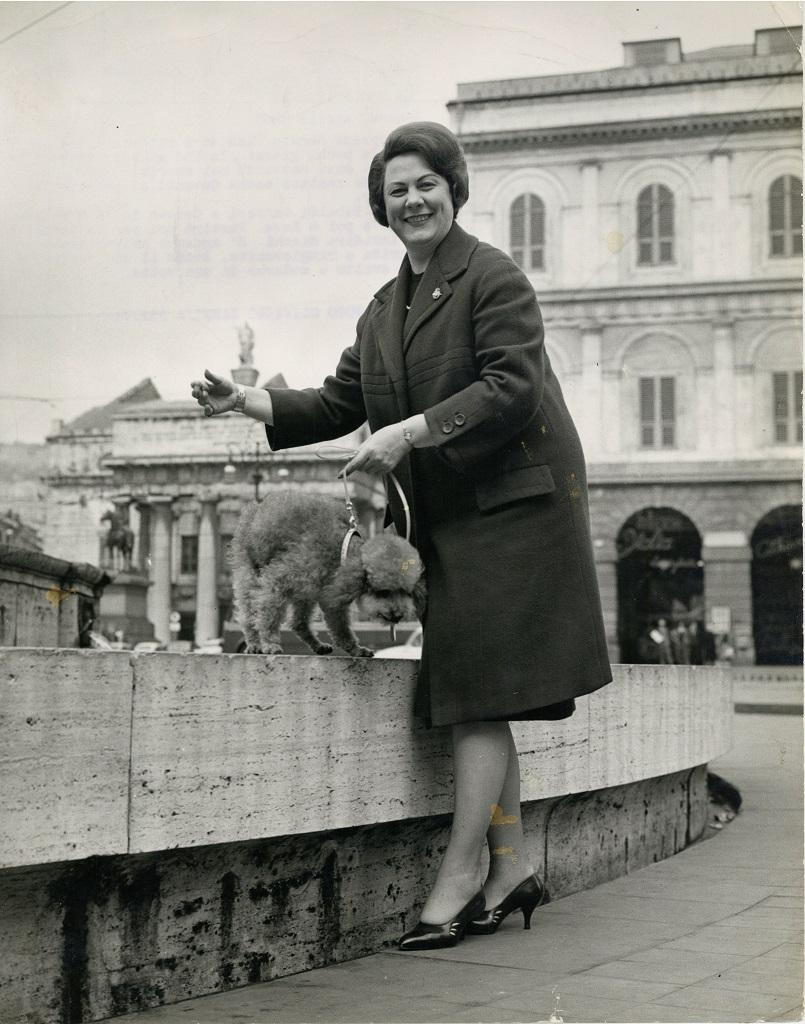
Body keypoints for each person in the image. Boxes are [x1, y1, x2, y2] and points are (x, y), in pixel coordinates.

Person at [191, 122, 612, 950]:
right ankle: (510, 863)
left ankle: (459, 877)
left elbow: (510, 387)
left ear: (453, 188)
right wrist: (249, 404)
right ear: (380, 209)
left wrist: (407, 433)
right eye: (395, 192)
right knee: (477, 690)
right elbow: (340, 401)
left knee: (475, 692)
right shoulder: (385, 309)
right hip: (455, 514)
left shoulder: (492, 276)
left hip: (517, 504)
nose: (412, 200)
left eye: (425, 184)